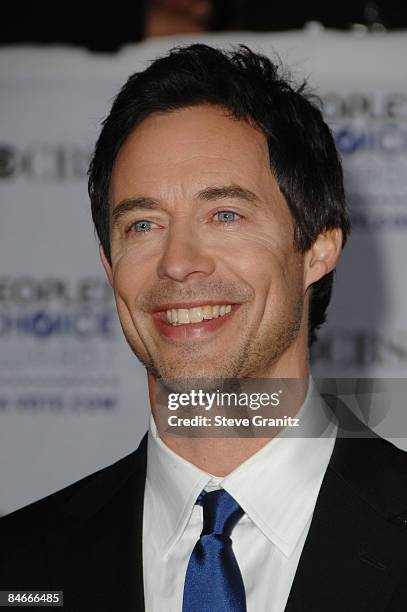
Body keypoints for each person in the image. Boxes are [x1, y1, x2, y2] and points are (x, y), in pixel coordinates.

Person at [1, 44, 407, 612]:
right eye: (143, 224)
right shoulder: (17, 569)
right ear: (109, 264)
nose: (177, 261)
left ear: (317, 247)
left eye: (224, 215)